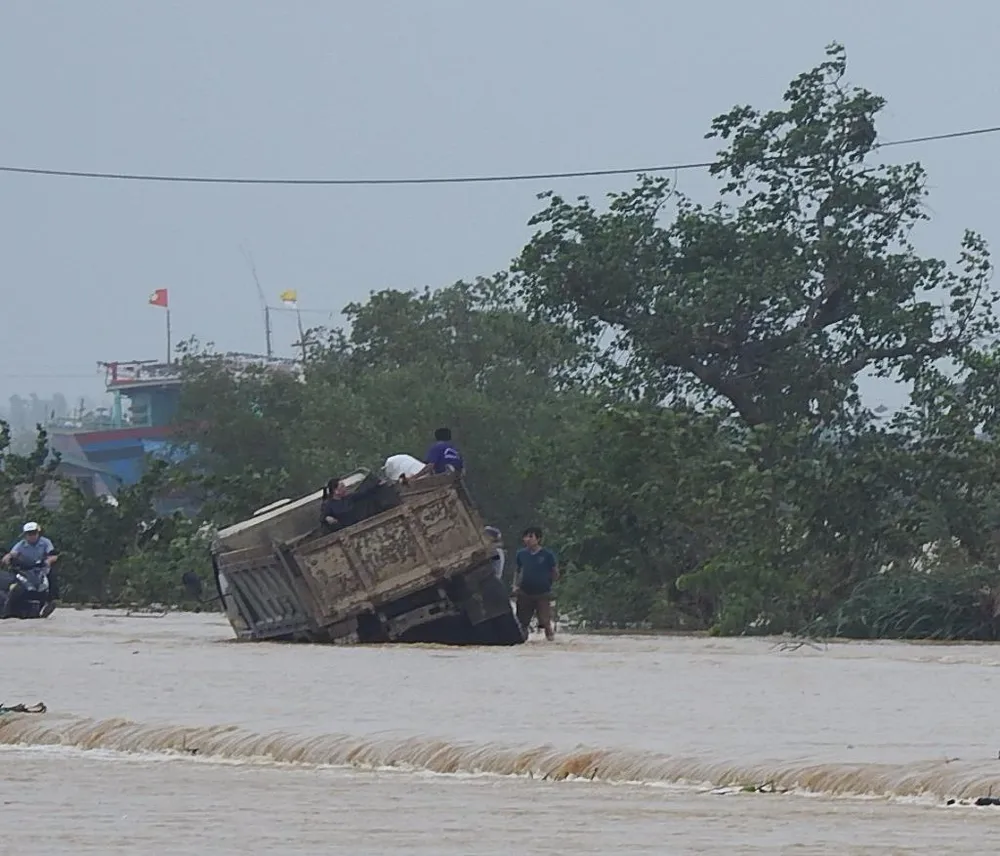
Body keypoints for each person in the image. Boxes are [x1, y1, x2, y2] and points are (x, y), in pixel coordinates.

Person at [1, 521, 59, 617]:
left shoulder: (45, 542)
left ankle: (50, 601)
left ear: (38, 533)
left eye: (34, 533)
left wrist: (49, 561)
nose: (32, 536)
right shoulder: (21, 545)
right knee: (15, 584)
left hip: (42, 568)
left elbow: (53, 555)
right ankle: (7, 609)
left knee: (52, 577)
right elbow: (12, 553)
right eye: (29, 533)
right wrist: (8, 558)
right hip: (25, 569)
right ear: (25, 535)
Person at [512, 526, 559, 641]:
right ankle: (521, 641)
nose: (527, 539)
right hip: (524, 592)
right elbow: (517, 571)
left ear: (538, 539)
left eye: (530, 536)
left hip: (542, 593)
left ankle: (551, 640)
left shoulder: (547, 555)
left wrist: (549, 584)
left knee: (545, 621)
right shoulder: (521, 554)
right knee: (522, 622)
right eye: (525, 536)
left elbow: (555, 572)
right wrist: (515, 586)